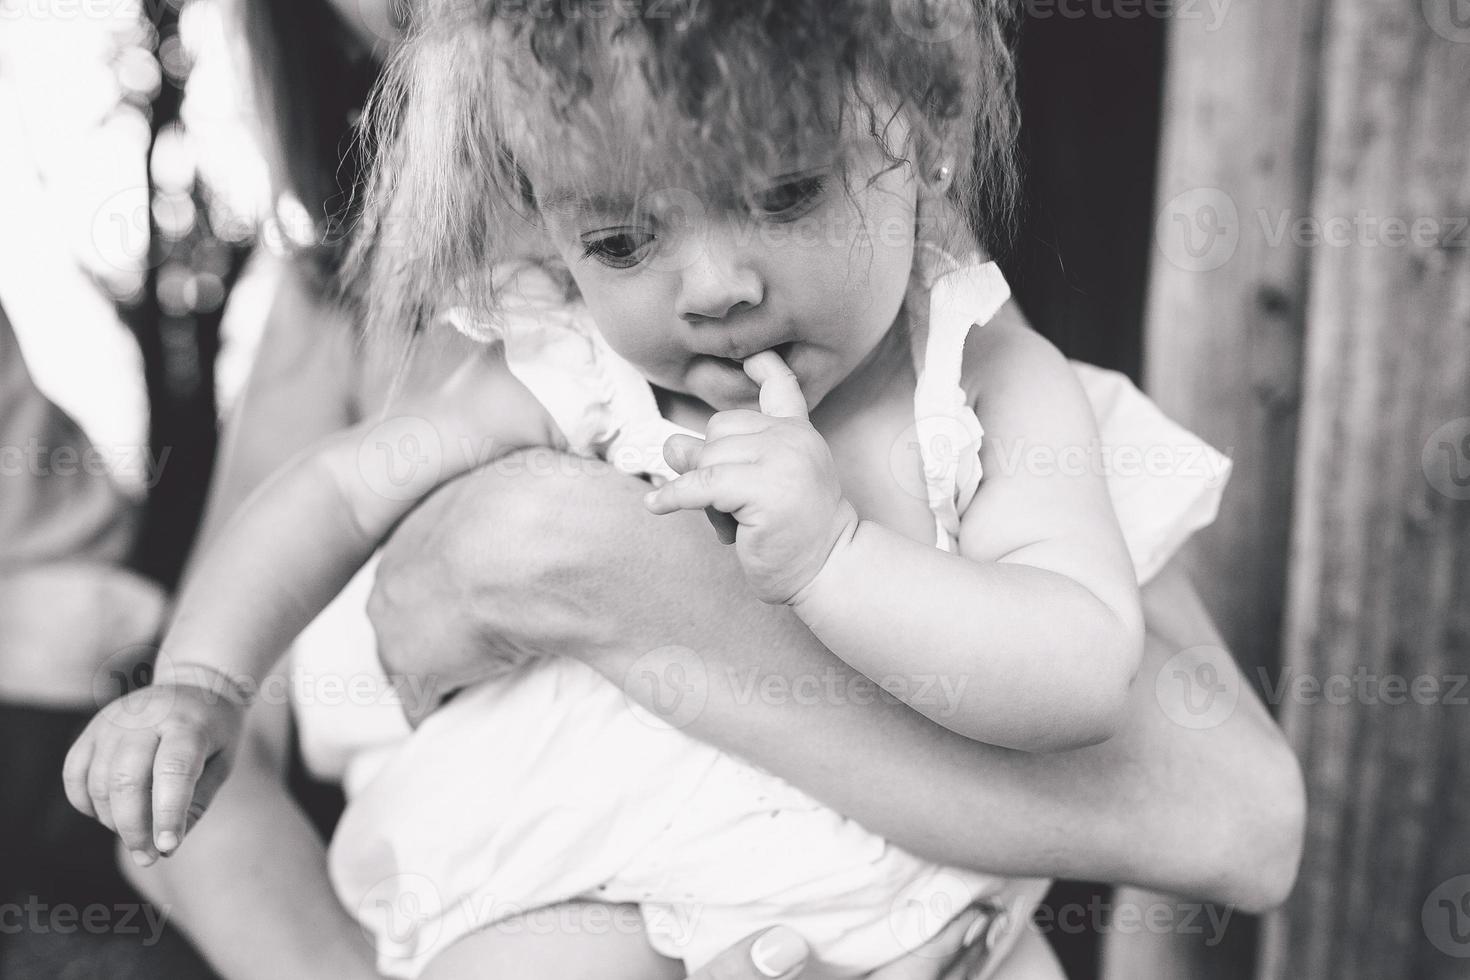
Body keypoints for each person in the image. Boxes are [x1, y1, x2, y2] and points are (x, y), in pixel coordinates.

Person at [71, 1, 1293, 977]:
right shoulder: (566, 366)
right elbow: (334, 491)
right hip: (580, 903)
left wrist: (835, 560)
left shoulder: (982, 381)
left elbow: (1091, 678)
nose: (711, 284)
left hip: (923, 930)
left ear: (921, 133)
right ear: (544, 226)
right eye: (618, 240)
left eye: (784, 194)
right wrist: (202, 681)